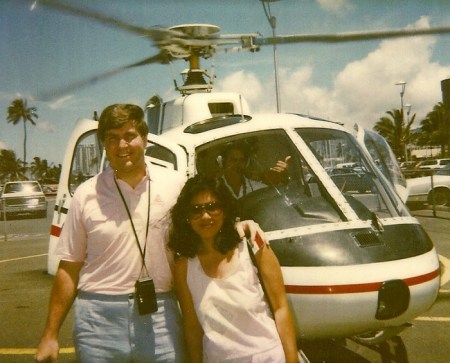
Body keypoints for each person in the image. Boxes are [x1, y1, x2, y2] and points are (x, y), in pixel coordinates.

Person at [35, 104, 263, 363]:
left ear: (144, 138)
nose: (122, 145)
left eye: (129, 135)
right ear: (104, 146)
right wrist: (50, 334)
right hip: (98, 321)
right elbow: (69, 268)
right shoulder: (85, 195)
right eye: (112, 138)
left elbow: (206, 219)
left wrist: (238, 225)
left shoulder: (175, 185)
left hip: (160, 315)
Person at [169, 174, 300, 363]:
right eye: (195, 210)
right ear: (186, 217)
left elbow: (281, 308)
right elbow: (192, 327)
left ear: (224, 209)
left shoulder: (252, 245)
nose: (205, 216)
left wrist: (292, 360)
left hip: (268, 357)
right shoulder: (184, 265)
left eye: (212, 207)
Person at [219, 141, 290, 199]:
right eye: (233, 160)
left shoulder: (257, 188)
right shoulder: (215, 187)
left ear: (246, 163)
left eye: (241, 160)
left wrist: (283, 178)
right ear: (223, 162)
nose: (238, 164)